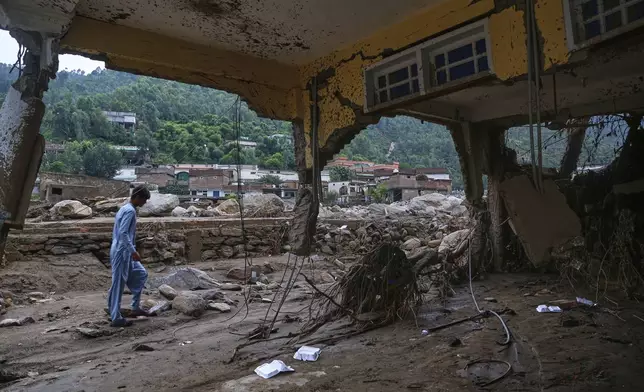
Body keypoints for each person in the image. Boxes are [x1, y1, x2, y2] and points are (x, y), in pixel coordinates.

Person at [107, 185, 151, 327]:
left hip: (125, 250)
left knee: (141, 273)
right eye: (144, 200)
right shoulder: (129, 211)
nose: (144, 203)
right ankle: (115, 317)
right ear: (138, 198)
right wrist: (133, 251)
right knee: (118, 284)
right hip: (122, 251)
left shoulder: (125, 209)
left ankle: (135, 307)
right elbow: (124, 232)